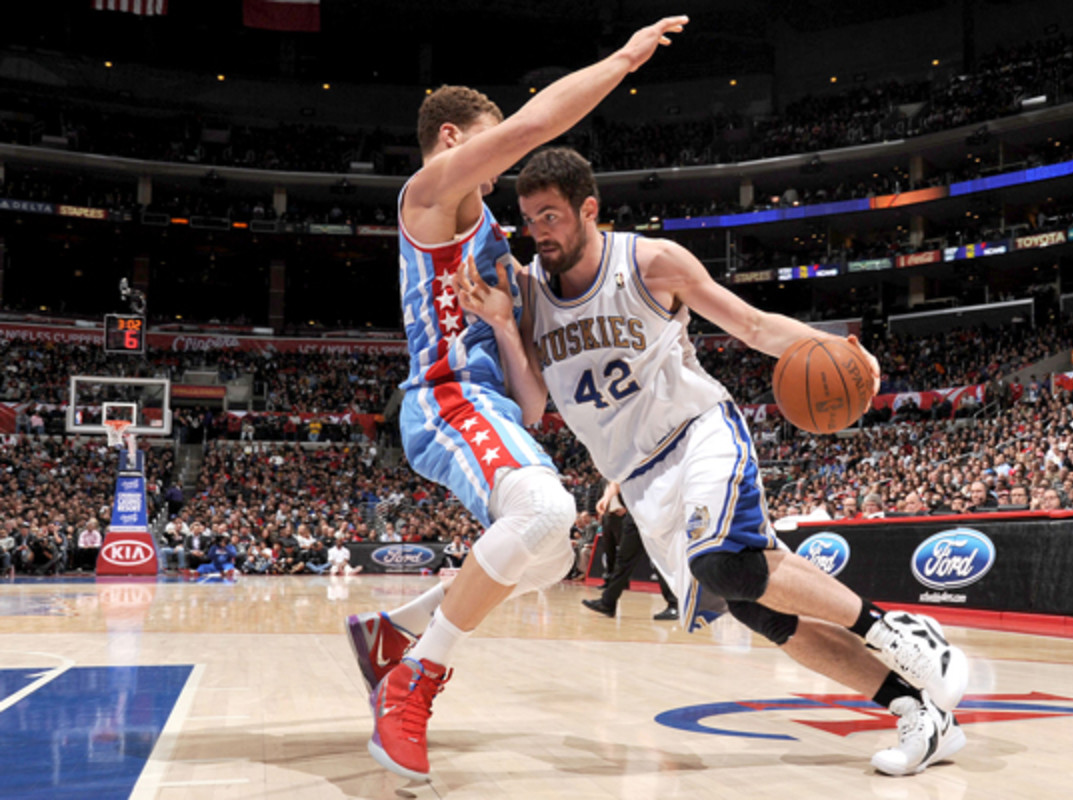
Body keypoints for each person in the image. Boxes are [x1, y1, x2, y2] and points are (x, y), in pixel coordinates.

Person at [454, 146, 969, 776]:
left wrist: (838, 349)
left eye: (551, 216)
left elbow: (752, 326)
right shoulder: (530, 295)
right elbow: (533, 407)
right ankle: (920, 712)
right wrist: (507, 328)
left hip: (698, 433)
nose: (539, 233)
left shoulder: (649, 263)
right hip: (641, 479)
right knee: (757, 605)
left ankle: (899, 632)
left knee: (723, 561)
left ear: (589, 208)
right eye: (529, 219)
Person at [343, 16, 690, 783]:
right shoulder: (429, 195)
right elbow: (541, 123)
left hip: (490, 406)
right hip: (442, 399)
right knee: (547, 512)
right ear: (451, 140)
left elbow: (531, 408)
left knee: (548, 558)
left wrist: (506, 325)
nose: (499, 172)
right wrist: (626, 59)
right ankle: (412, 683)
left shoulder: (495, 238)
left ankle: (392, 634)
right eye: (489, 148)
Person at [581, 481, 678, 620]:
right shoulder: (629, 464)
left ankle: (676, 604)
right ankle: (607, 602)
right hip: (635, 515)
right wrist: (607, 497)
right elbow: (619, 479)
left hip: (653, 515)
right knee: (623, 559)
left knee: (658, 559)